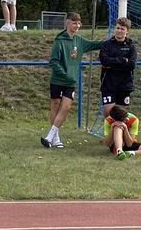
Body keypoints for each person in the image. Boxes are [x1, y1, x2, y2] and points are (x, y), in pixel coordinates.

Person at [41, 12, 104, 148]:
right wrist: (63, 73)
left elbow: (95, 44)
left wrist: (112, 41)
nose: (77, 25)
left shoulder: (79, 40)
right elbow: (53, 61)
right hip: (57, 80)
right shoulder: (59, 40)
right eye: (74, 23)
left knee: (66, 107)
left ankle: (50, 136)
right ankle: (55, 138)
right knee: (55, 105)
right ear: (67, 23)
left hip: (70, 82)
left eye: (79, 23)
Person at [99, 17, 137, 117]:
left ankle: (119, 133)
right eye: (118, 28)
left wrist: (112, 63)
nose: (119, 31)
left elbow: (131, 65)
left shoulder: (131, 46)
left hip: (124, 84)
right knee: (108, 112)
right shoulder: (106, 45)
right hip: (108, 83)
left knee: (119, 115)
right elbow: (104, 60)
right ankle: (108, 133)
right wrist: (122, 60)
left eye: (122, 29)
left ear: (127, 31)